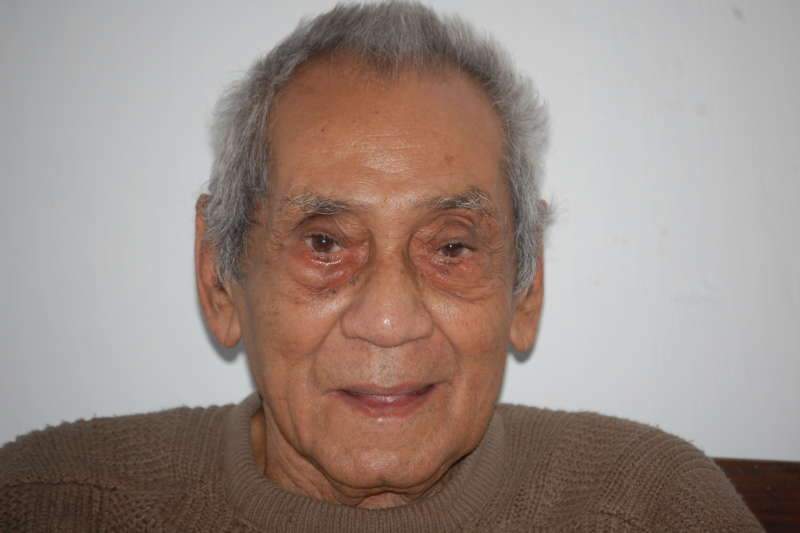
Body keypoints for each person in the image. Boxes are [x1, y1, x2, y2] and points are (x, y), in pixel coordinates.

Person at [0, 2, 762, 531]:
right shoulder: (47, 503)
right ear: (218, 277)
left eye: (452, 247)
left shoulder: (655, 505)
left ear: (526, 286)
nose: (390, 320)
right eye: (324, 244)